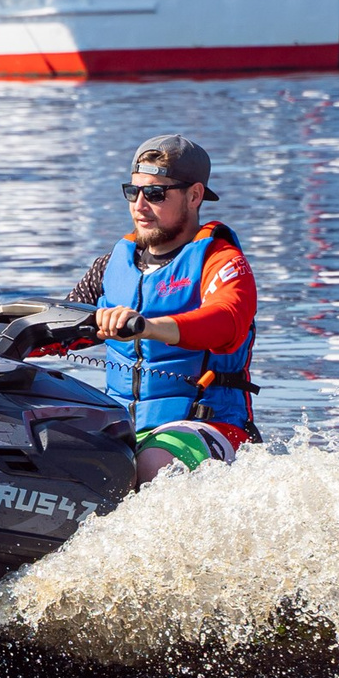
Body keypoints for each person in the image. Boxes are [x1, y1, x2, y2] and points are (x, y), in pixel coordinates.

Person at [68, 135, 261, 482]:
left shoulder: (222, 262)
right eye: (133, 192)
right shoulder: (110, 265)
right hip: (124, 428)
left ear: (194, 195)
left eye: (155, 194)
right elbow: (59, 325)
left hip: (214, 429)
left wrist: (150, 327)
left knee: (152, 464)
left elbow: (227, 321)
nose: (140, 206)